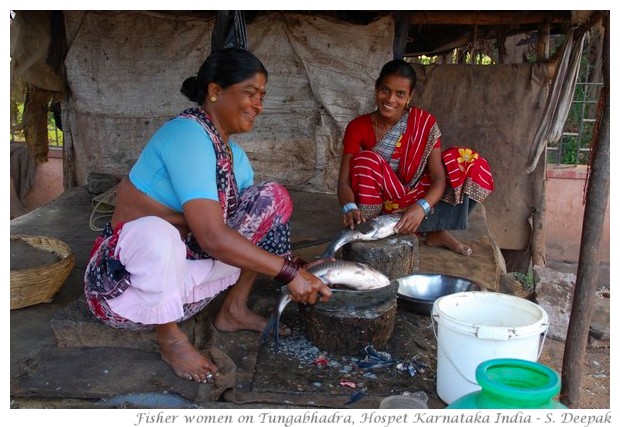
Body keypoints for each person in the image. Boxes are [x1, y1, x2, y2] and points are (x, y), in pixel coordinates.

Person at [84, 48, 332, 385]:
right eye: (250, 93)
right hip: (127, 289)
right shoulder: (185, 134)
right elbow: (212, 237)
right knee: (157, 233)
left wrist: (296, 267)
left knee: (271, 198)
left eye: (262, 96)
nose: (258, 104)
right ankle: (170, 338)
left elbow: (246, 229)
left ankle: (233, 310)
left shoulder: (234, 155)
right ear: (215, 91)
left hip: (187, 286)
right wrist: (286, 273)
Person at [337, 59, 494, 256]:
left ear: (410, 96)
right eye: (385, 90)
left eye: (400, 94)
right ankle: (373, 229)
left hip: (414, 197)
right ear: (376, 88)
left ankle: (435, 230)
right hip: (380, 203)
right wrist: (349, 206)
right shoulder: (357, 127)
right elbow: (343, 181)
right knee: (366, 160)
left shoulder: (425, 123)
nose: (391, 99)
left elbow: (438, 178)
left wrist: (421, 207)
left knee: (467, 160)